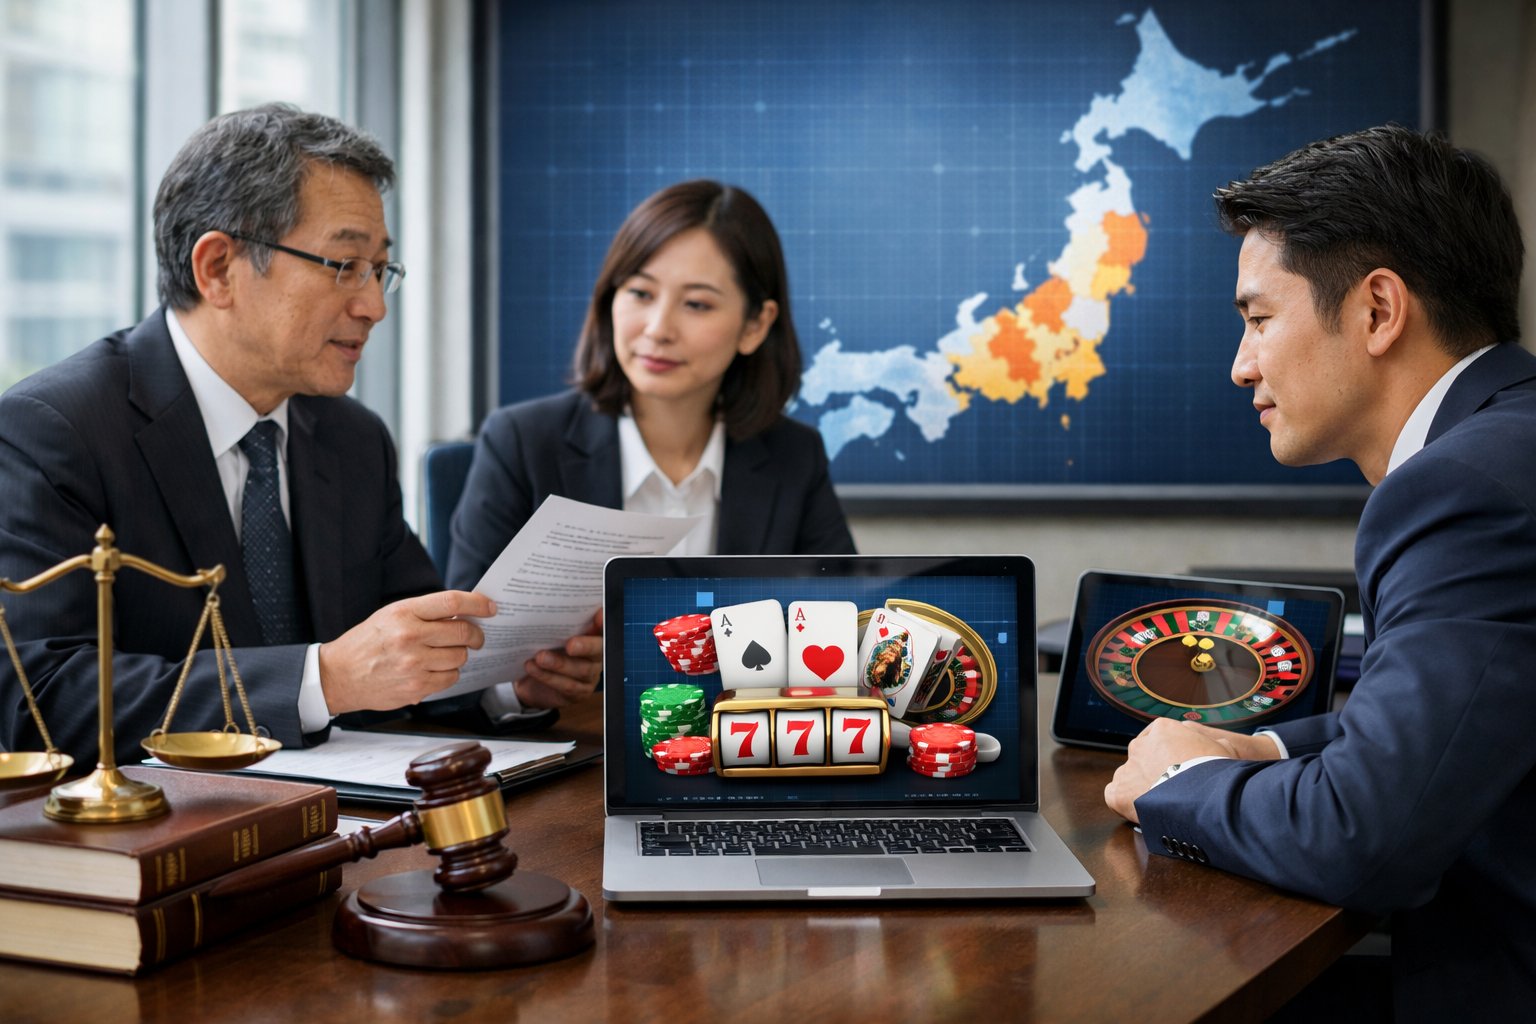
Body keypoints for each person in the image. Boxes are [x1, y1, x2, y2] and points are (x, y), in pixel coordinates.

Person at [1103, 125, 1534, 1018]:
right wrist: (1261, 748)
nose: (1241, 366)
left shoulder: (1464, 489)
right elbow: (1459, 726)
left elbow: (1364, 838)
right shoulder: (1507, 445)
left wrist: (1177, 785)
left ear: (1378, 310)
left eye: (1259, 319)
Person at [0, 104, 497, 768]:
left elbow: (407, 650)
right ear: (218, 269)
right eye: (344, 265)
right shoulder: (55, 430)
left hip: (353, 814)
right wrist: (323, 680)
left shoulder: (352, 438)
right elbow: (41, 697)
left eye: (380, 269)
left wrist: (510, 685)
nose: (373, 306)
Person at [446, 180, 855, 716]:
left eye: (697, 304)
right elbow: (452, 666)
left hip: (737, 748)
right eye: (640, 294)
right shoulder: (522, 442)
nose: (658, 329)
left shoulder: (792, 456)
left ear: (755, 325)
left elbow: (841, 630)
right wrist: (520, 692)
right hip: (576, 749)